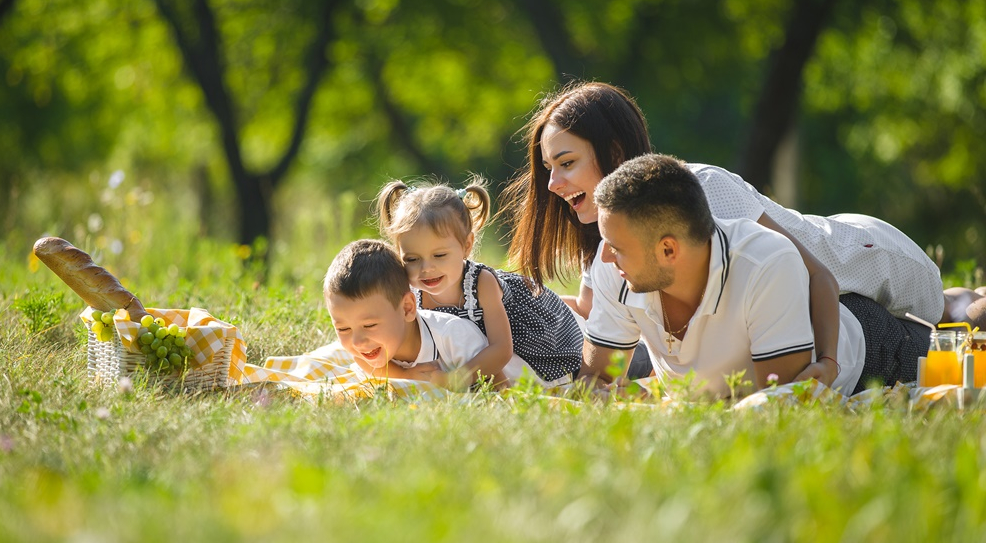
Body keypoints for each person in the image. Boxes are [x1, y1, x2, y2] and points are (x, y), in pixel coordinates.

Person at [502, 80, 978, 386]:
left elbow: (814, 275)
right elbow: (595, 314)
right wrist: (503, 300)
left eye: (566, 164)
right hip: (814, 298)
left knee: (952, 315)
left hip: (859, 258)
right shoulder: (612, 235)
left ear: (614, 149)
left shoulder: (702, 192)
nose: (552, 184)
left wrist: (828, 363)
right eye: (549, 167)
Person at [583, 154, 931, 397]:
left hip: (872, 347)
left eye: (616, 246)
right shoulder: (616, 267)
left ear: (669, 251)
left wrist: (828, 360)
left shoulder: (764, 262)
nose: (604, 256)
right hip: (795, 303)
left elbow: (776, 403)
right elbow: (596, 382)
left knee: (959, 337)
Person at [377, 179, 583, 388]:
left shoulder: (481, 283)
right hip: (473, 355)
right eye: (412, 259)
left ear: (466, 245)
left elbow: (502, 349)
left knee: (522, 384)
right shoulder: (411, 292)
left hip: (523, 346)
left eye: (439, 255)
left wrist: (456, 379)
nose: (426, 269)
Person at [324, 239, 533, 389]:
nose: (358, 341)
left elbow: (500, 382)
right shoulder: (367, 346)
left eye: (369, 325)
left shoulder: (452, 335)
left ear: (407, 308)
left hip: (528, 374)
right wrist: (404, 375)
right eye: (343, 328)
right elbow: (362, 361)